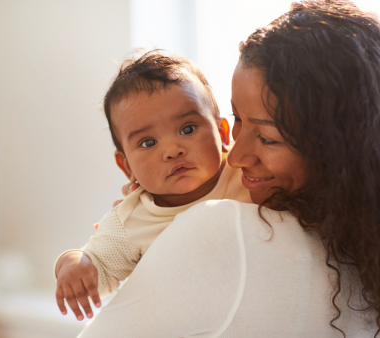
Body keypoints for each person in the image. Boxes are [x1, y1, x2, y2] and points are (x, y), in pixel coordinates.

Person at [77, 1, 380, 337]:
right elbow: (101, 264)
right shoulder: (361, 245)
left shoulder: (220, 225)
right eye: (238, 119)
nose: (234, 156)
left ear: (337, 148)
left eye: (267, 137)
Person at [54, 51, 251, 321]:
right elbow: (100, 268)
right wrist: (73, 262)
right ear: (127, 167)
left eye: (188, 129)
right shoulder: (131, 218)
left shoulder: (247, 172)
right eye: (148, 143)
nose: (172, 150)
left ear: (222, 133)